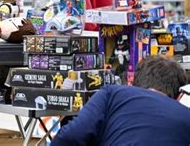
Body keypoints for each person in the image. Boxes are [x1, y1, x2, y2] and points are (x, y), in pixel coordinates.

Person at [51, 55, 190, 145]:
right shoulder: (185, 115)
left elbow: (71, 136)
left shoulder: (112, 93)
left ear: (132, 82)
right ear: (178, 96)